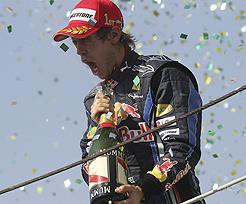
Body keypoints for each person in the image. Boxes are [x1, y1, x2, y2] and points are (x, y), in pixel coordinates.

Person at [53, 0, 205, 203]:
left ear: (114, 35)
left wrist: (142, 190)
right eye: (75, 42)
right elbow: (90, 172)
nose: (79, 51)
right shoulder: (94, 98)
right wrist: (100, 129)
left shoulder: (162, 74)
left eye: (85, 40)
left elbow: (183, 149)